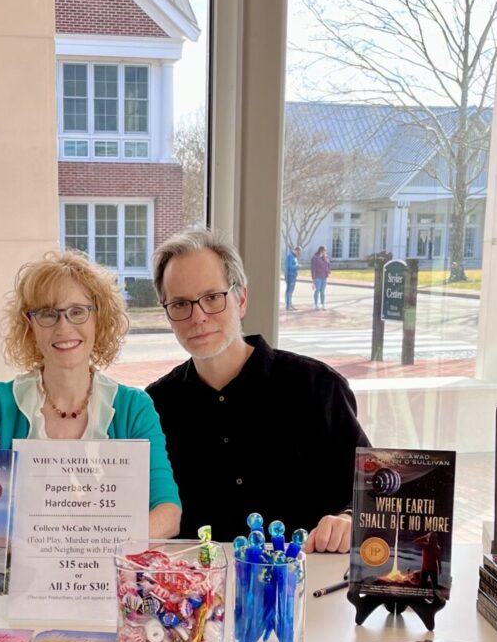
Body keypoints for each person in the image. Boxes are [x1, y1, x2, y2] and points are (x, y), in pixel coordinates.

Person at [145, 227, 370, 549]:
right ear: (167, 313)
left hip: (304, 586)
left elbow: (372, 492)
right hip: (197, 592)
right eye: (180, 304)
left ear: (241, 299)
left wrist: (349, 519)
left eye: (212, 298)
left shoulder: (317, 386)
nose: (198, 317)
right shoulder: (155, 406)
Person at [0, 250, 181, 538]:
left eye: (78, 311)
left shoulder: (134, 408)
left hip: (109, 574)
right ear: (29, 325)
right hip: (19, 578)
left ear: (98, 320)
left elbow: (168, 513)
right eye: (47, 314)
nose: (63, 326)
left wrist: (99, 546)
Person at [311, 245, 330, 309]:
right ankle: (316, 304)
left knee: (322, 291)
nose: (325, 252)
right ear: (321, 250)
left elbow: (327, 266)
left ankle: (323, 304)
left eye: (325, 251)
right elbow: (313, 269)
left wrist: (328, 271)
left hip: (324, 277)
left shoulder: (325, 257)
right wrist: (313, 279)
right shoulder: (315, 258)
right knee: (317, 290)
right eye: (324, 250)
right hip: (317, 277)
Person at [283, 245, 300, 311]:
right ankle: (288, 306)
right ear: (296, 250)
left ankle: (290, 304)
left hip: (294, 276)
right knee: (289, 291)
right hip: (290, 276)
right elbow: (289, 267)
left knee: (291, 291)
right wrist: (297, 266)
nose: (299, 254)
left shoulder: (294, 257)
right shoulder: (290, 256)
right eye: (298, 252)